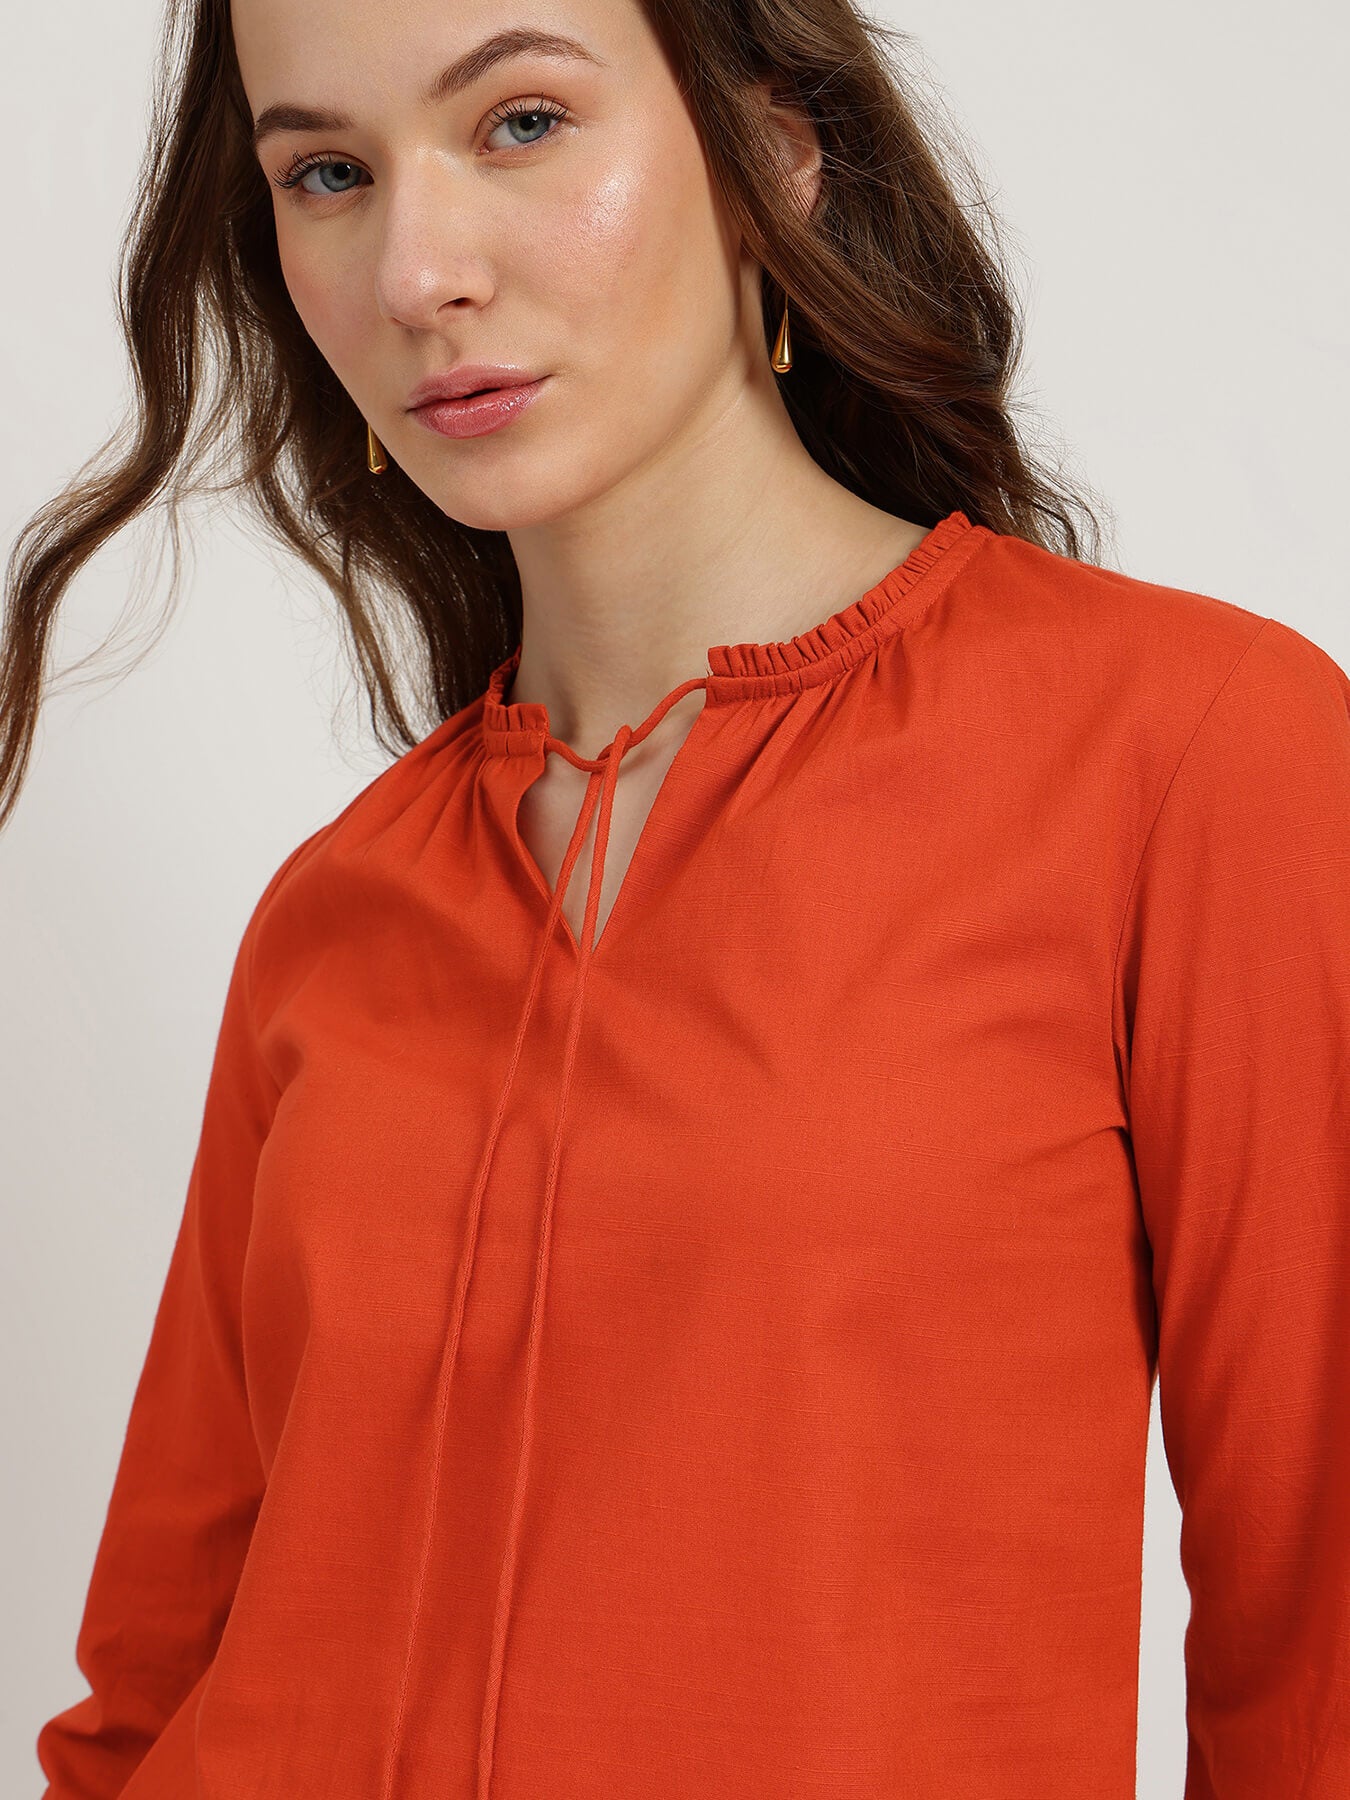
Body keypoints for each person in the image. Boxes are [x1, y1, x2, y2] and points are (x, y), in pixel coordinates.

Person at [11, 0, 1347, 1796]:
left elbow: (1318, 1638)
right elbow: (153, 1686)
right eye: (326, 172)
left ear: (769, 150)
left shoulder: (1188, 755)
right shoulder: (334, 915)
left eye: (520, 125)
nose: (415, 272)